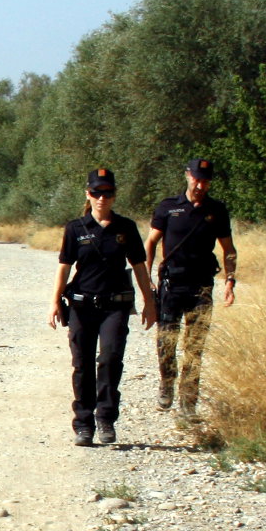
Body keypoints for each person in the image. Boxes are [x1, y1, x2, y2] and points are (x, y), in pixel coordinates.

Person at [48, 167, 156, 447]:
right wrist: (54, 302)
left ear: (114, 195)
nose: (102, 198)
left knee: (109, 360)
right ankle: (84, 424)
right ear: (88, 194)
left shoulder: (126, 228)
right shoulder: (75, 228)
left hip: (115, 307)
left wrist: (149, 301)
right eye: (96, 193)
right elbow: (64, 267)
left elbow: (139, 267)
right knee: (82, 364)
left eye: (107, 193)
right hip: (82, 306)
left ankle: (106, 418)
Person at [145, 157, 237, 417]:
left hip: (201, 287)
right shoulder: (168, 207)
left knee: (195, 346)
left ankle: (188, 401)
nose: (200, 184)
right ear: (187, 175)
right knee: (166, 340)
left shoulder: (217, 211)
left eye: (205, 180)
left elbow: (229, 249)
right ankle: (166, 383)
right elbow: (151, 242)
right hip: (171, 284)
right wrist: (149, 277)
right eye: (196, 178)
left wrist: (230, 280)